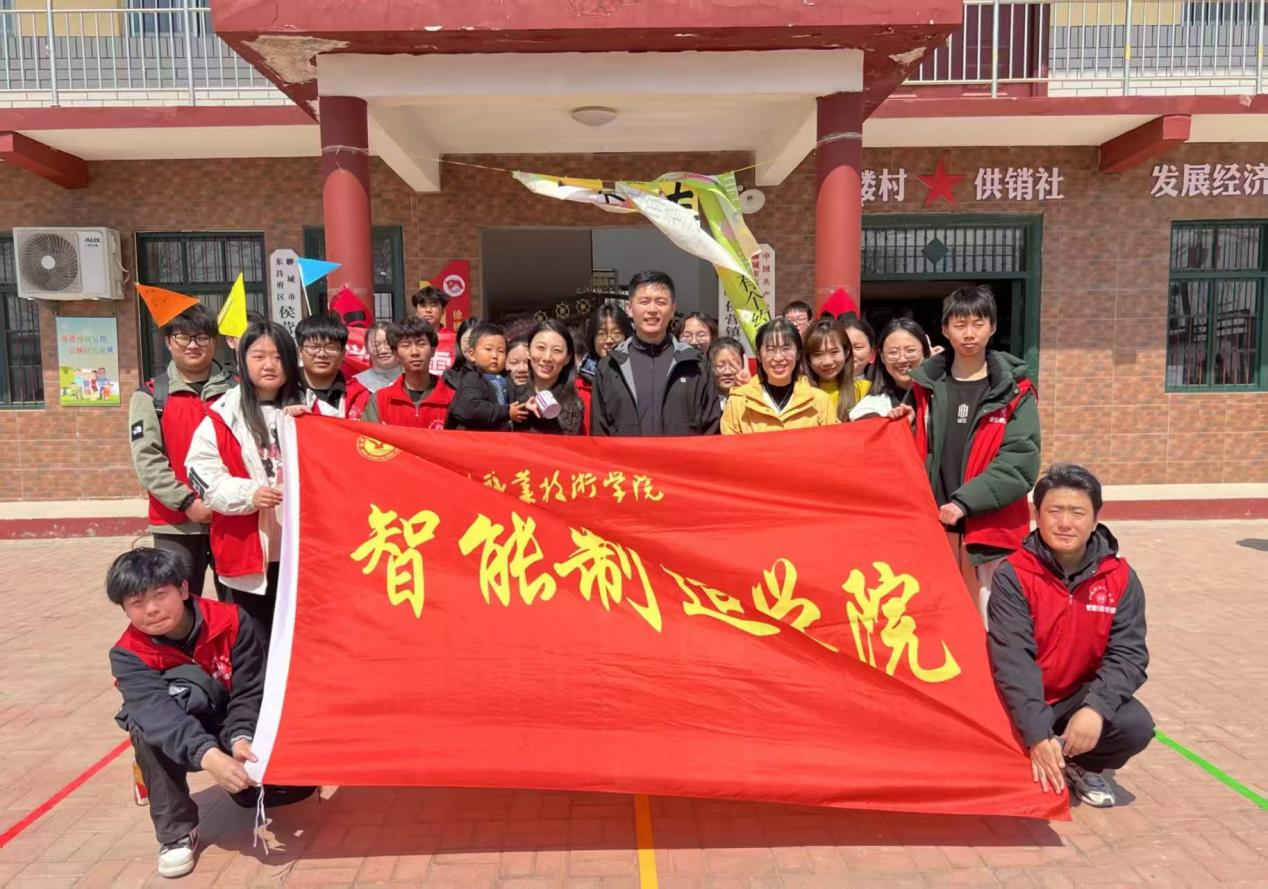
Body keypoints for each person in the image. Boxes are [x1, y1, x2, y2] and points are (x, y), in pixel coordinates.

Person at [988, 464, 1152, 809]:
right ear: (1037, 515)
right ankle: (1037, 752)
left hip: (1075, 697)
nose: (1065, 523)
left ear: (1095, 519)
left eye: (1077, 512)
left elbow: (1128, 656)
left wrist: (1096, 709)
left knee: (1134, 725)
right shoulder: (1014, 574)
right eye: (1055, 511)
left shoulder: (1120, 578)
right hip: (1021, 699)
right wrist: (1036, 733)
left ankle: (1081, 765)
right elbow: (1013, 660)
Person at [107, 547, 264, 879]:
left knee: (278, 794)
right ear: (124, 609)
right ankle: (175, 832)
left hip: (233, 721)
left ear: (182, 589)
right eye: (136, 602)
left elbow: (251, 689)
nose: (151, 609)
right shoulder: (128, 654)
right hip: (183, 727)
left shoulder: (232, 621)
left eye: (160, 595)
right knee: (142, 725)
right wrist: (209, 756)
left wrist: (242, 736)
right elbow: (159, 716)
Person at [908, 286, 1041, 622]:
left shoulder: (1016, 391)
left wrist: (964, 502)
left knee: (991, 628)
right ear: (945, 329)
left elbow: (1020, 463)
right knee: (937, 626)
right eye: (960, 324)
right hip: (935, 531)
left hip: (990, 535)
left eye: (978, 324)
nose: (969, 333)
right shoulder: (925, 388)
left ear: (992, 327)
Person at [186, 321, 303, 642]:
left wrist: (310, 423)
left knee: (299, 643)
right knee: (254, 641)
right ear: (242, 360)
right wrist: (248, 494)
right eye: (259, 356)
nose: (269, 365)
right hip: (248, 550)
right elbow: (203, 474)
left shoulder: (313, 411)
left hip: (301, 551)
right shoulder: (222, 416)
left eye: (278, 357)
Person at [130, 304, 236, 598]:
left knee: (240, 608)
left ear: (214, 341)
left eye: (202, 337)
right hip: (176, 525)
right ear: (168, 341)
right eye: (183, 336)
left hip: (233, 519)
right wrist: (187, 502)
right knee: (179, 605)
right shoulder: (151, 395)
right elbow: (147, 460)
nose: (192, 345)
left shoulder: (238, 389)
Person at [592, 271, 721, 436]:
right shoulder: (610, 366)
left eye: (661, 302)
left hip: (682, 454)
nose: (652, 309)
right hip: (625, 454)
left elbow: (711, 428)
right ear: (629, 308)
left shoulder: (696, 364)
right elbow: (600, 432)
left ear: (672, 309)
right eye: (644, 302)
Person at [722, 318, 835, 434]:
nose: (778, 357)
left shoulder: (819, 401)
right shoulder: (738, 402)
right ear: (759, 355)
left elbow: (833, 442)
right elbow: (729, 444)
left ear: (798, 353)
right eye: (770, 349)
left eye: (786, 349)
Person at [361, 317, 455, 428]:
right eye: (406, 346)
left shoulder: (453, 399)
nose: (414, 352)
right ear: (396, 353)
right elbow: (367, 436)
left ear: (433, 350)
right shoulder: (380, 400)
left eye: (421, 344)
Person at [446, 321, 532, 431]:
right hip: (476, 438)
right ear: (472, 354)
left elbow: (520, 397)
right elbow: (470, 408)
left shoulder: (507, 380)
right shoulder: (473, 379)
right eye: (488, 349)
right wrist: (506, 412)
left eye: (501, 351)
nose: (495, 355)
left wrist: (529, 402)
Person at [514, 319, 587, 435]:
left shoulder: (573, 404)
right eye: (541, 348)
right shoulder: (513, 394)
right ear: (528, 351)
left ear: (568, 358)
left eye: (557, 350)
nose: (547, 357)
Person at [849, 318, 931, 420]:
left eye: (910, 350)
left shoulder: (940, 394)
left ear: (925, 352)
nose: (902, 359)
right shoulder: (871, 406)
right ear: (882, 357)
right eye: (893, 352)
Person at [576, 304, 633, 433]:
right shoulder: (579, 385)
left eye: (616, 333)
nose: (609, 340)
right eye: (601, 334)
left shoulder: (637, 377)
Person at [803, 319, 869, 423]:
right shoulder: (799, 393)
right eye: (818, 354)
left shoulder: (864, 390)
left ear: (846, 352)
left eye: (834, 352)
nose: (827, 362)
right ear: (808, 358)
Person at [294, 314, 349, 417]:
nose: (322, 354)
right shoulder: (286, 388)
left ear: (343, 353)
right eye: (313, 347)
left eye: (331, 348)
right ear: (300, 351)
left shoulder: (358, 392)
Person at [346, 320, 401, 420]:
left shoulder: (414, 381)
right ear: (366, 348)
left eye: (388, 343)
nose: (383, 350)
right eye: (376, 345)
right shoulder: (356, 385)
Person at [412, 286, 457, 375]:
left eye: (433, 306)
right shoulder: (408, 338)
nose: (428, 310)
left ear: (443, 310)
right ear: (416, 311)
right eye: (423, 306)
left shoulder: (455, 339)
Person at [707, 336, 748, 412]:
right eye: (720, 366)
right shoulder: (704, 400)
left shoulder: (754, 395)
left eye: (733, 365)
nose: (727, 372)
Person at [840, 315, 878, 382]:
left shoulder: (876, 388)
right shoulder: (820, 387)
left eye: (857, 347)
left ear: (872, 354)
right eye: (844, 347)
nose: (850, 353)